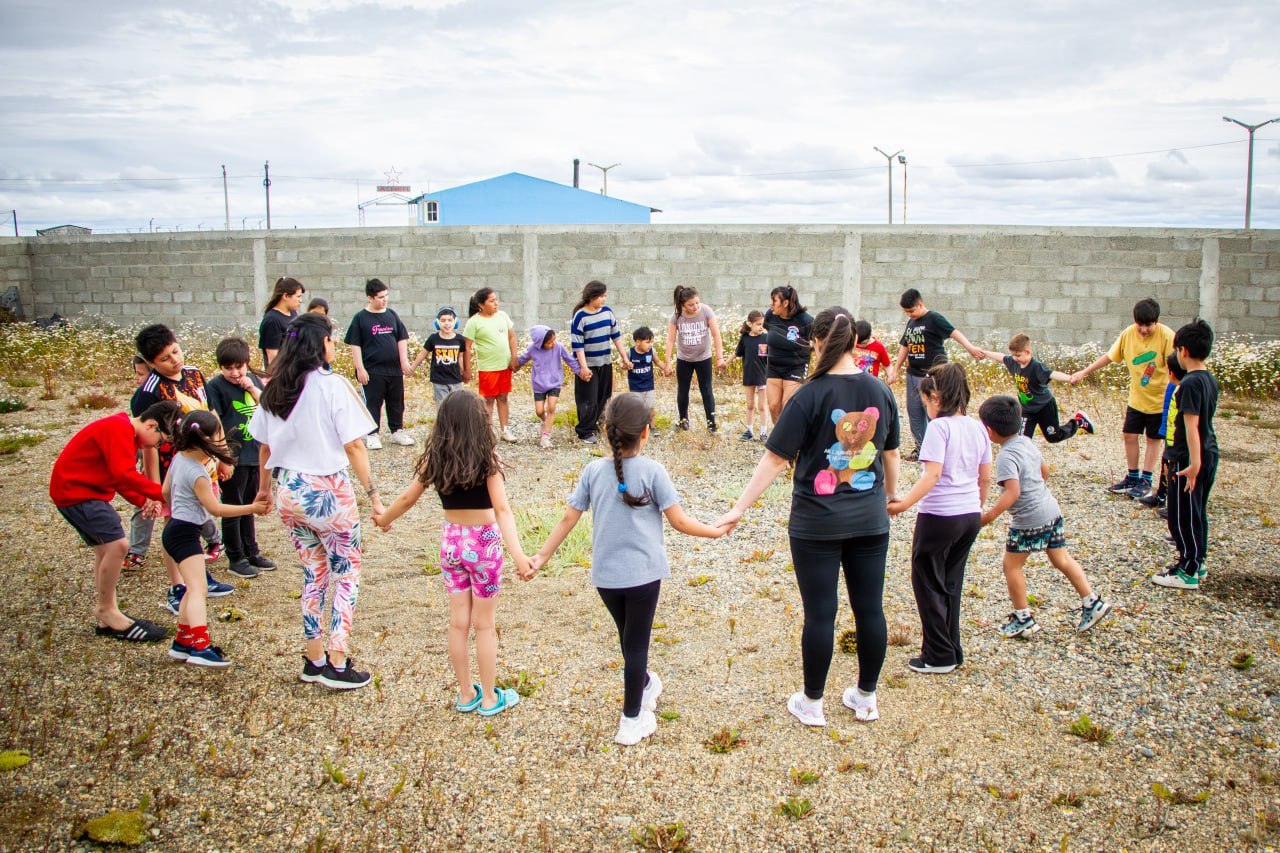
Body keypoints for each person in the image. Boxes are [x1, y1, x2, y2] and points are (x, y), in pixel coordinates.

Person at [718, 308, 900, 727]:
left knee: (821, 612)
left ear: (817, 343)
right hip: (870, 520)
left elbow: (775, 460)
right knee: (870, 609)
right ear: (856, 343)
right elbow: (890, 452)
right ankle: (866, 698)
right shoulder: (879, 390)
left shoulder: (809, 394)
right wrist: (890, 496)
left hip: (816, 523)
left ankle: (813, 703)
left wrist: (739, 508)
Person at [527, 394, 726, 744]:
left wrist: (541, 557)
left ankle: (646, 684)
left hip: (606, 578)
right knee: (636, 646)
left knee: (628, 638)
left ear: (606, 430)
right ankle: (632, 719)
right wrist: (716, 531)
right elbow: (679, 522)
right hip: (643, 577)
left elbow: (567, 518)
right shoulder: (653, 471)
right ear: (646, 433)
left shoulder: (592, 471)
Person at [373, 390, 531, 716]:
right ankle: (489, 698)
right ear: (479, 423)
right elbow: (502, 510)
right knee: (484, 625)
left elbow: (406, 499)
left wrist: (384, 519)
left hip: (451, 543)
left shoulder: (437, 459)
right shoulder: (488, 460)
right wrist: (518, 556)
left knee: (458, 622)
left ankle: (464, 693)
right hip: (483, 544)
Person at [249, 311, 384, 690]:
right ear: (318, 344)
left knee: (313, 573)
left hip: (289, 490)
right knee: (346, 572)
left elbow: (263, 449)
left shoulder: (274, 389)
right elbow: (355, 444)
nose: (334, 345)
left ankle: (313, 657)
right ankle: (338, 661)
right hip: (328, 492)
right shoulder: (331, 386)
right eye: (330, 339)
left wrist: (264, 490)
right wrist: (373, 495)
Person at [976, 395, 1112, 638]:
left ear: (989, 430)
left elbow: (1012, 492)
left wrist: (988, 516)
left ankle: (1023, 618)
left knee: (1012, 566)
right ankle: (1092, 601)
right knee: (1061, 559)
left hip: (1029, 521)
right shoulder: (1027, 442)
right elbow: (1045, 471)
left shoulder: (1006, 456)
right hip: (1051, 509)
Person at [888, 362, 990, 674]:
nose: (925, 408)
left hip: (940, 514)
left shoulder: (939, 428)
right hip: (969, 514)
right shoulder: (976, 427)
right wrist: (977, 507)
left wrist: (904, 503)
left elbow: (932, 474)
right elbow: (984, 477)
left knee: (927, 581)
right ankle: (951, 649)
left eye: (925, 401)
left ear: (936, 396)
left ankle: (938, 656)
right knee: (950, 583)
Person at [50, 399, 178, 643]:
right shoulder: (119, 429)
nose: (158, 445)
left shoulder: (124, 433)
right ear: (152, 426)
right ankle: (106, 609)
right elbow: (124, 474)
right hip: (77, 493)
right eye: (161, 441)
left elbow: (119, 479)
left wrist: (144, 501)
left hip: (84, 493)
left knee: (104, 549)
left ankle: (106, 615)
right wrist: (162, 494)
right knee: (118, 546)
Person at [131, 324, 234, 614]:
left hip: (205, 462)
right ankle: (178, 586)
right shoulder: (148, 392)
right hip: (172, 468)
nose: (174, 359)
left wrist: (222, 455)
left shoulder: (193, 374)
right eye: (165, 358)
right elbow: (146, 441)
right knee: (176, 525)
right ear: (150, 363)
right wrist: (153, 490)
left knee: (199, 516)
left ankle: (197, 575)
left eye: (175, 351)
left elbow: (212, 416)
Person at [163, 411, 269, 668]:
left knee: (192, 587)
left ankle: (183, 641)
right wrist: (251, 509)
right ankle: (200, 646)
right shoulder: (197, 473)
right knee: (199, 590)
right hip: (186, 533)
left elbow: (166, 490)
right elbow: (217, 509)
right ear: (206, 440)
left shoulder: (179, 459)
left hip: (175, 529)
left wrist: (179, 508)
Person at [1070, 298, 1175, 499]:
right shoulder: (1128, 334)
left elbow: (1177, 367)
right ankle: (1132, 476)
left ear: (1157, 321)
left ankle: (1146, 479)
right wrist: (1085, 371)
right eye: (1140, 324)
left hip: (1159, 401)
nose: (1143, 330)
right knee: (1129, 435)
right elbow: (1110, 356)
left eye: (1148, 325)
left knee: (1153, 439)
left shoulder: (1167, 337)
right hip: (1137, 398)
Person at [1152, 320, 1219, 590]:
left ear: (1183, 351)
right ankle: (1197, 561)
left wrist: (1193, 464)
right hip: (1206, 452)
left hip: (1190, 457)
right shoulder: (1208, 378)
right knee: (1197, 511)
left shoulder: (1189, 383)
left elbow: (1191, 426)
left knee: (1182, 515)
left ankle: (1188, 568)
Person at [205, 336, 275, 579]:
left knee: (249, 505)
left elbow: (270, 406)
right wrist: (223, 457)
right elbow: (214, 423)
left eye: (239, 366)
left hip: (254, 453)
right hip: (233, 457)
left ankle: (251, 551)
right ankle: (235, 557)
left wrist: (251, 387)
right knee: (233, 507)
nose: (235, 373)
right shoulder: (214, 387)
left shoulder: (253, 380)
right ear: (220, 367)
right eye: (228, 368)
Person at [885, 289, 983, 460]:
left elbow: (954, 333)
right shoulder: (911, 323)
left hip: (933, 375)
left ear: (920, 304)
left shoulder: (934, 318)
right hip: (913, 374)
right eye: (906, 312)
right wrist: (895, 370)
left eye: (911, 311)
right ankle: (920, 448)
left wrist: (970, 348)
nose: (909, 315)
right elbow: (905, 346)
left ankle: (939, 449)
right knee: (914, 411)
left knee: (935, 411)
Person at [974, 333, 1094, 443]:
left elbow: (1052, 374)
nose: (1015, 358)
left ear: (1027, 352)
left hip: (1044, 406)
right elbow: (1001, 357)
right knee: (1022, 441)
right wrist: (985, 353)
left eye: (1018, 355)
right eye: (1013, 355)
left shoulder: (1036, 367)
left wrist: (1069, 378)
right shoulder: (1013, 362)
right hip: (1026, 409)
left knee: (1053, 436)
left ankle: (1079, 421)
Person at [345, 278, 413, 449]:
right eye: (381, 297)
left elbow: (401, 338)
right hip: (372, 370)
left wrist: (403, 361)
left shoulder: (391, 315)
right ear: (370, 298)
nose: (385, 300)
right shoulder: (360, 318)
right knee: (373, 402)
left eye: (386, 296)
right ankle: (372, 433)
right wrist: (360, 368)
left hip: (394, 370)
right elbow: (355, 344)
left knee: (396, 401)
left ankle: (397, 431)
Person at [569, 280, 632, 445]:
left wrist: (624, 356)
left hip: (605, 362)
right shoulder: (580, 317)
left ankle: (595, 426)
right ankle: (584, 431)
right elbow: (578, 345)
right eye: (601, 296)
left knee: (603, 395)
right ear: (591, 297)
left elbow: (616, 336)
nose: (604, 299)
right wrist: (583, 367)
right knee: (587, 398)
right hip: (588, 365)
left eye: (605, 296)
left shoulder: (608, 312)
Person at [462, 287, 519, 442]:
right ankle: (487, 431)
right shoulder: (474, 322)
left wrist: (514, 357)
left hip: (505, 366)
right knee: (488, 400)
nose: (496, 303)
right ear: (481, 304)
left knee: (503, 397)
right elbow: (466, 346)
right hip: (488, 368)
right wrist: (466, 369)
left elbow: (512, 337)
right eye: (491, 301)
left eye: (496, 300)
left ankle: (505, 430)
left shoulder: (502, 316)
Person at [665, 285, 725, 432]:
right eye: (690, 305)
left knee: (706, 390)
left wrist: (719, 357)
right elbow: (670, 340)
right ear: (682, 305)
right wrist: (667, 363)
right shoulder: (676, 316)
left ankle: (711, 425)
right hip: (684, 359)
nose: (695, 307)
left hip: (703, 358)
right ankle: (683, 421)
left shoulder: (706, 311)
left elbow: (716, 335)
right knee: (683, 390)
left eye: (697, 302)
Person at [516, 325, 579, 449]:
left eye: (554, 340)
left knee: (551, 407)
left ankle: (545, 436)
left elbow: (570, 360)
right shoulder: (533, 349)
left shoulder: (559, 347)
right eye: (550, 343)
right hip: (539, 384)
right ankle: (546, 422)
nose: (553, 343)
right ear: (540, 344)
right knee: (539, 411)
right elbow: (522, 360)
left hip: (555, 383)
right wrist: (514, 366)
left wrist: (580, 372)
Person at [1138, 353, 1186, 516]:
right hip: (1170, 433)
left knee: (1173, 469)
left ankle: (1176, 505)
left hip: (1178, 438)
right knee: (1166, 464)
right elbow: (1168, 409)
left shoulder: (1183, 388)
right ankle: (1161, 496)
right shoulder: (1173, 385)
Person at [124, 355, 157, 570]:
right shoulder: (142, 398)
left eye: (141, 374)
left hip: (167, 453)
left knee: (184, 501)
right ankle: (137, 550)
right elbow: (144, 439)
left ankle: (212, 538)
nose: (137, 379)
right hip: (149, 449)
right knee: (146, 500)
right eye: (135, 373)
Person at [762, 284, 814, 422]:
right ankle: (779, 438)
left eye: (774, 301)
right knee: (774, 406)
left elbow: (819, 342)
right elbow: (770, 335)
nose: (770, 304)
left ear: (785, 303)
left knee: (787, 406)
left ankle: (789, 439)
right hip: (774, 367)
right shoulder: (770, 316)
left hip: (796, 367)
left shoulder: (806, 321)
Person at [411, 306, 468, 405]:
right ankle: (443, 421)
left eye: (450, 320)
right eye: (443, 320)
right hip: (439, 379)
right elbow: (422, 354)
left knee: (456, 405)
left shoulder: (459, 339)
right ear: (437, 323)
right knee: (442, 405)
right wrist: (412, 368)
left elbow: (460, 357)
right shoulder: (433, 338)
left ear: (455, 322)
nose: (447, 323)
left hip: (455, 379)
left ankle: (454, 421)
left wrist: (463, 371)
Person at [733, 310, 769, 441]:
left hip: (762, 376)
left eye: (762, 324)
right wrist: (724, 363)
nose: (761, 327)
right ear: (750, 324)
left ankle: (764, 432)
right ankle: (749, 430)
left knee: (762, 406)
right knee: (750, 405)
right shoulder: (745, 338)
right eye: (758, 324)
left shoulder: (766, 338)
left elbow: (773, 356)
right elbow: (737, 353)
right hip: (749, 376)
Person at [259, 276, 305, 369]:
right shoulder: (272, 320)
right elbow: (273, 359)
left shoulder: (293, 313)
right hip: (282, 377)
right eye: (298, 296)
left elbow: (292, 336)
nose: (301, 300)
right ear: (286, 296)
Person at [626, 326, 664, 428]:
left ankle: (652, 427)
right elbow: (622, 365)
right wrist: (627, 365)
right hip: (635, 387)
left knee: (651, 408)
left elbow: (657, 361)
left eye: (652, 342)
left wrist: (665, 368)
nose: (650, 345)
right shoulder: (629, 352)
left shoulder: (652, 351)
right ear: (638, 342)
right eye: (647, 342)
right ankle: (636, 428)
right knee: (636, 409)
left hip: (649, 386)